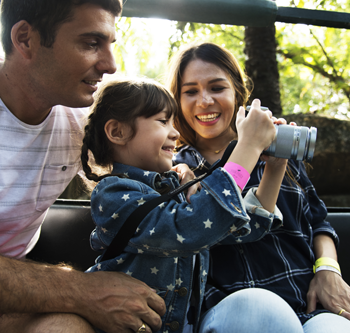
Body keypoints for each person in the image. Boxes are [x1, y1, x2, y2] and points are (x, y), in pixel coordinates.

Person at [80, 77, 298, 333]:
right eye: (163, 121)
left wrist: (275, 166)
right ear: (118, 132)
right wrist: (246, 147)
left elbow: (243, 228)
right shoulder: (113, 194)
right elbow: (190, 227)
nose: (175, 133)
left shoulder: (175, 189)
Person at [0, 1, 166, 332]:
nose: (111, 65)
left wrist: (247, 149)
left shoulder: (81, 123)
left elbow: (163, 144)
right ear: (25, 39)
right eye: (91, 43)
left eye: (110, 44)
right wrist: (82, 290)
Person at [168, 42, 350, 332]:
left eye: (217, 88)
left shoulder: (282, 153)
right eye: (190, 91)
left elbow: (318, 222)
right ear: (177, 100)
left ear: (238, 93)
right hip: (231, 309)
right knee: (260, 309)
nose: (204, 101)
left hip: (308, 304)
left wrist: (328, 270)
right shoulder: (176, 169)